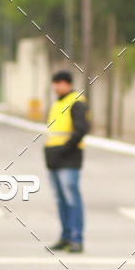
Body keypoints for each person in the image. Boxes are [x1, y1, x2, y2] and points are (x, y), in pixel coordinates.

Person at [45, 70, 90, 254]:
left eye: (58, 83)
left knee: (72, 199)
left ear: (67, 83)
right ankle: (65, 237)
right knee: (61, 200)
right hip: (54, 159)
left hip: (68, 158)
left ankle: (76, 239)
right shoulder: (58, 103)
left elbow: (81, 130)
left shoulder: (76, 102)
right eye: (54, 83)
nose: (55, 87)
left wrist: (64, 150)